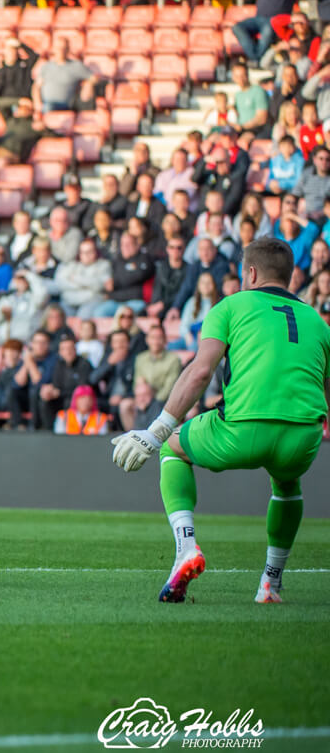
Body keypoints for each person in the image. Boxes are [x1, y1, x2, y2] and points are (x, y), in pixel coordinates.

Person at [112, 237, 329, 605]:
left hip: (241, 431)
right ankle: (270, 584)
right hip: (304, 437)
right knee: (288, 484)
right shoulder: (318, 322)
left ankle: (186, 548)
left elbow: (199, 373)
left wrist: (156, 431)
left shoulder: (231, 306)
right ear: (290, 277)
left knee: (173, 448)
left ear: (251, 273)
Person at [36, 333, 92, 430]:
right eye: (64, 349)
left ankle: (71, 430)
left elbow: (82, 389)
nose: (68, 352)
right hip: (62, 397)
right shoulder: (58, 364)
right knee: (43, 400)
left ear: (75, 349)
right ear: (60, 352)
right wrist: (50, 391)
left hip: (80, 399)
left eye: (70, 348)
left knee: (68, 402)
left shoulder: (84, 364)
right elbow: (56, 384)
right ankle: (47, 430)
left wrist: (59, 392)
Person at [0, 269, 48, 347]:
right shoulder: (7, 299)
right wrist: (1, 313)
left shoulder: (34, 299)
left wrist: (29, 275)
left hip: (25, 339)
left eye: (24, 279)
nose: (21, 282)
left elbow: (42, 292)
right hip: (5, 338)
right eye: (19, 279)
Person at [230, 0, 298, 63]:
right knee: (237, 27)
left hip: (276, 22)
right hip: (258, 19)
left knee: (267, 30)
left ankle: (256, 59)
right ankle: (255, 57)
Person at [55, 238, 112, 318]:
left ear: (95, 252)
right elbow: (60, 283)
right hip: (70, 300)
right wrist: (85, 285)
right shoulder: (73, 265)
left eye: (89, 252)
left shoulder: (103, 265)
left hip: (91, 302)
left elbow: (99, 285)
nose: (86, 255)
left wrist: (75, 279)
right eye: (83, 252)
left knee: (83, 319)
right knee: (58, 315)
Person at [12, 330, 57, 430]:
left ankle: (34, 427)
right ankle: (18, 425)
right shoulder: (27, 358)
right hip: (26, 399)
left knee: (35, 391)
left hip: (44, 399)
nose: (39, 346)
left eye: (43, 343)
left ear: (48, 344)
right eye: (36, 342)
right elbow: (17, 383)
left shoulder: (53, 359)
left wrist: (30, 363)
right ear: (32, 344)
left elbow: (40, 383)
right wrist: (26, 363)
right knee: (11, 391)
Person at [35, 39, 94, 113]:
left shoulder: (76, 66)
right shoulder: (46, 67)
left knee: (48, 108)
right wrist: (37, 102)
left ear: (68, 49)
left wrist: (88, 85)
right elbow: (37, 86)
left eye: (64, 48)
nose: (61, 51)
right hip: (45, 105)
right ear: (53, 49)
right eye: (58, 48)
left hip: (65, 106)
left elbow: (93, 78)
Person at [0, 38, 38, 119]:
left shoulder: (24, 67)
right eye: (10, 50)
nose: (12, 53)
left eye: (14, 50)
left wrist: (20, 44)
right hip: (6, 104)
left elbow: (34, 56)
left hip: (23, 104)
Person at [132, 326, 183, 406]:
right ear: (147, 340)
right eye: (152, 337)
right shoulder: (140, 358)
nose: (155, 341)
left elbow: (169, 388)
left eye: (159, 338)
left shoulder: (174, 360)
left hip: (164, 401)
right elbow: (137, 384)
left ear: (165, 340)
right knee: (126, 405)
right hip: (143, 399)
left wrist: (154, 403)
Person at [177, 272, 220, 350]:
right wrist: (188, 336)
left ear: (214, 285)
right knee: (170, 346)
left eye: (209, 282)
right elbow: (184, 325)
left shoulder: (219, 303)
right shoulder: (191, 302)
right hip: (192, 336)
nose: (206, 285)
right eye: (203, 282)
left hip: (209, 337)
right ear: (198, 285)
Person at [232, 62, 271, 135]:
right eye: (237, 76)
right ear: (233, 77)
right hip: (240, 130)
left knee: (242, 142)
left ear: (247, 75)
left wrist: (242, 127)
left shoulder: (258, 91)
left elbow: (261, 118)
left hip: (256, 130)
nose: (240, 79)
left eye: (242, 75)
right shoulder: (238, 95)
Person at [293, 146, 330, 224]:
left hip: (326, 217)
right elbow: (295, 194)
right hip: (306, 215)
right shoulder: (306, 174)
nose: (324, 162)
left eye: (327, 159)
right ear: (314, 160)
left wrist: (321, 213)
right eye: (321, 158)